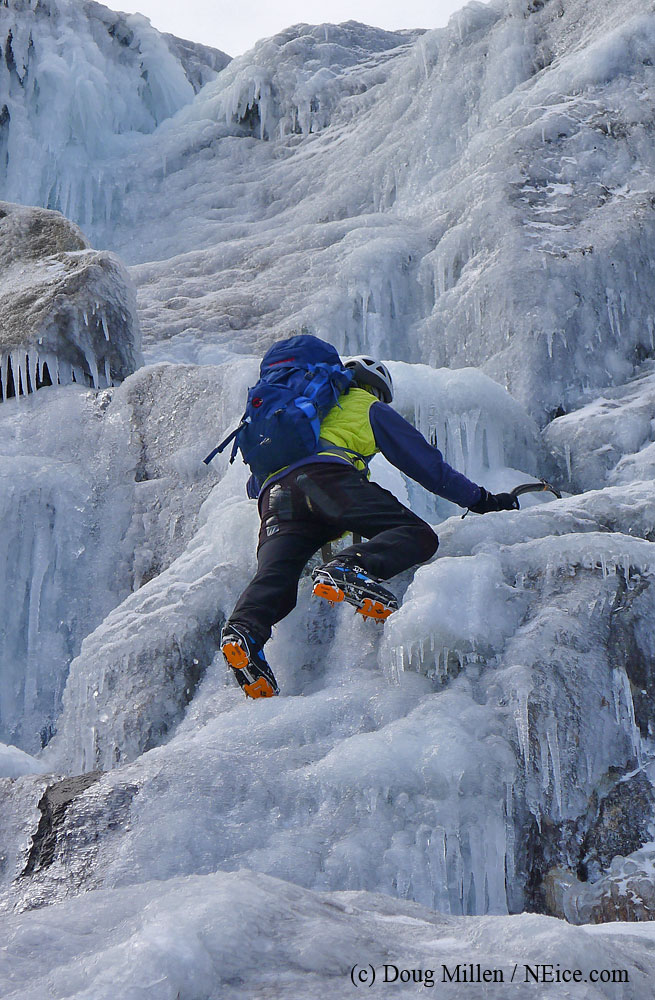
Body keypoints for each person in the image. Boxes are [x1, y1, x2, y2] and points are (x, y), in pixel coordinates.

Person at [220, 353, 518, 698]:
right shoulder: (365, 403)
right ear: (373, 387)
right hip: (328, 480)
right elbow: (426, 465)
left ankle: (243, 632)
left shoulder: (291, 417)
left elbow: (253, 486)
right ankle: (347, 568)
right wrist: (481, 500)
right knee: (415, 534)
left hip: (274, 498)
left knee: (276, 578)